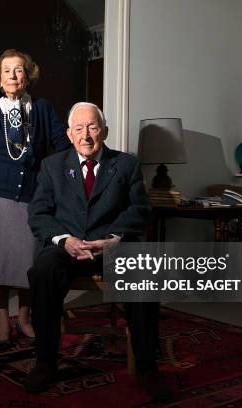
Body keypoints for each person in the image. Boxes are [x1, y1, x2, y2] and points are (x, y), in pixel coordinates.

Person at [24, 102, 169, 400]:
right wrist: (64, 240)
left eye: (92, 128)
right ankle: (45, 361)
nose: (86, 136)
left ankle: (147, 365)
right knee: (42, 272)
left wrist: (113, 239)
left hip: (111, 246)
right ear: (69, 133)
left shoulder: (126, 164)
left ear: (104, 131)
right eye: (79, 129)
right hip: (67, 247)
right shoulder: (52, 166)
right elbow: (38, 213)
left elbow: (140, 209)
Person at [0, 49, 71, 348]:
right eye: (7, 70)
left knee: (28, 262)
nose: (13, 75)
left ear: (28, 76)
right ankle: (2, 320)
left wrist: (83, 136)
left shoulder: (42, 108)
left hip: (32, 194)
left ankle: (24, 319)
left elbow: (62, 145)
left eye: (19, 69)